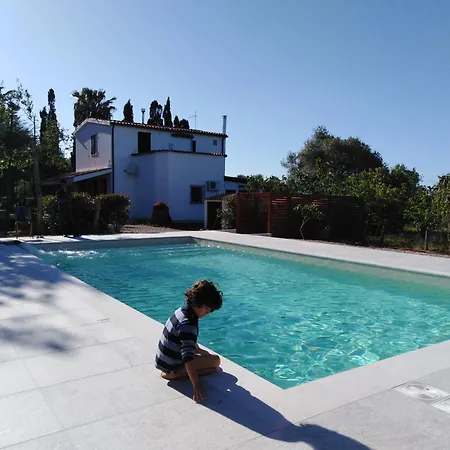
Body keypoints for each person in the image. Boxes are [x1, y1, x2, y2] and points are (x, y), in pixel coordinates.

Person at [155, 280, 223, 403]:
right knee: (215, 361)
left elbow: (186, 340)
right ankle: (175, 374)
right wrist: (196, 384)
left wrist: (200, 351)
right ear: (200, 304)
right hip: (172, 366)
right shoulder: (189, 324)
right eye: (207, 309)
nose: (208, 313)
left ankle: (173, 372)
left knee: (207, 357)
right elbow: (187, 357)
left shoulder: (182, 311)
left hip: (163, 361)